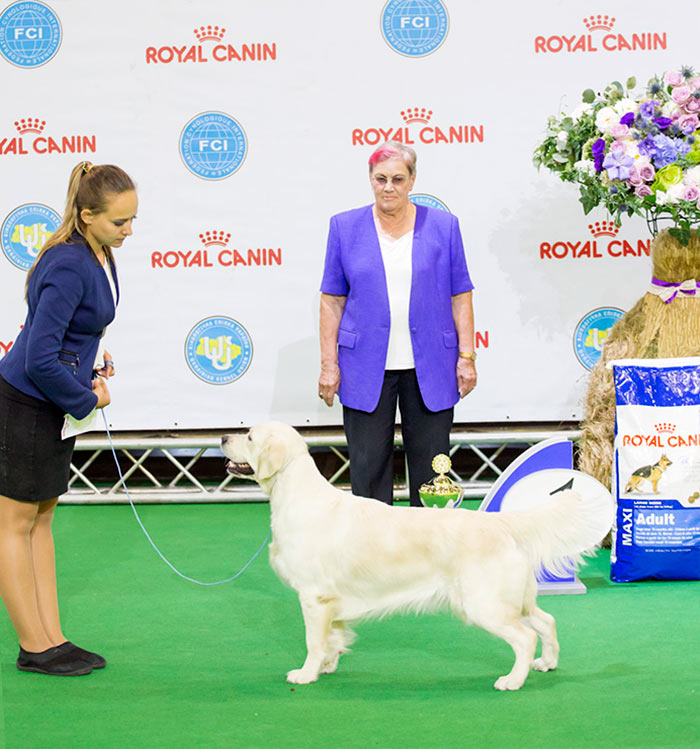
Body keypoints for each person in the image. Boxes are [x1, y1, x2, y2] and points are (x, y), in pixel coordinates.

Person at [0, 161, 137, 676]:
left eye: (133, 219)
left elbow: (71, 334)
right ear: (87, 216)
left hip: (53, 403)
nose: (129, 230)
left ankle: (53, 638)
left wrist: (90, 362)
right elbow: (39, 358)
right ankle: (34, 647)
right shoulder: (67, 263)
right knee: (16, 524)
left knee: (41, 520)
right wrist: (88, 400)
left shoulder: (98, 251)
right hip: (26, 404)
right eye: (120, 221)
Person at [318, 141, 476, 506]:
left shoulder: (445, 227)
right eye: (380, 179)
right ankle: (374, 543)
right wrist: (329, 365)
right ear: (370, 179)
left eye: (398, 179)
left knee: (432, 471)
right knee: (368, 469)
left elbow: (461, 295)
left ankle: (429, 540)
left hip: (431, 366)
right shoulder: (344, 227)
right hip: (363, 368)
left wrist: (466, 357)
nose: (388, 187)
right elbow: (332, 300)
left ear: (412, 180)